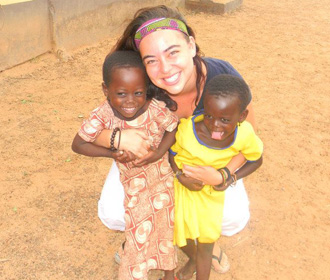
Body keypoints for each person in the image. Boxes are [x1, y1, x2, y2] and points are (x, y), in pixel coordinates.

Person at [90, 5, 257, 275]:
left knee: (233, 218)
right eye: (151, 60)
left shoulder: (222, 78)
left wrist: (223, 176)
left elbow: (249, 137)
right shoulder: (142, 85)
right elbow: (96, 131)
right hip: (153, 161)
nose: (165, 69)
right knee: (113, 211)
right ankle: (141, 233)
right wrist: (120, 138)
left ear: (191, 45)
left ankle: (205, 243)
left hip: (210, 162)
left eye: (173, 52)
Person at [72, 51, 179, 280]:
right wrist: (111, 152)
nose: (130, 101)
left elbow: (173, 128)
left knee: (165, 228)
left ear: (146, 89)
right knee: (138, 234)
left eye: (138, 92)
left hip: (163, 182)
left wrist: (159, 152)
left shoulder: (155, 108)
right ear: (105, 90)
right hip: (135, 189)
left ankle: (170, 274)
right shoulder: (103, 115)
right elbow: (78, 143)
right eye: (121, 93)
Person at [169, 74, 263, 280]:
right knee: (178, 235)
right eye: (209, 115)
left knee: (206, 243)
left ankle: (199, 264)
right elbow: (172, 154)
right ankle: (191, 259)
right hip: (182, 191)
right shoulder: (187, 130)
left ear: (242, 116)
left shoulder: (245, 135)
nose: (215, 125)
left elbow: (256, 159)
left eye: (225, 119)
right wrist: (179, 175)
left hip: (211, 195)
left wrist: (228, 178)